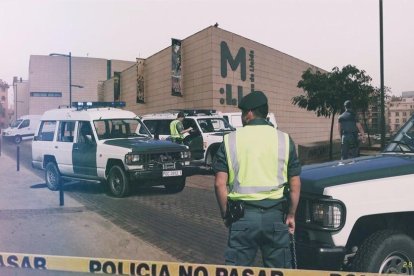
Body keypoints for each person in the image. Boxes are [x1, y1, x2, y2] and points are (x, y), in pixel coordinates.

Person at [212, 91, 302, 268]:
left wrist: (226, 215)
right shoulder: (284, 139)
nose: (242, 117)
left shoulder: (230, 140)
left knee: (237, 271)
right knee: (279, 271)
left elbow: (219, 183)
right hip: (276, 218)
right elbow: (295, 184)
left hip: (243, 218)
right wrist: (291, 215)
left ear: (250, 113)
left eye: (243, 113)